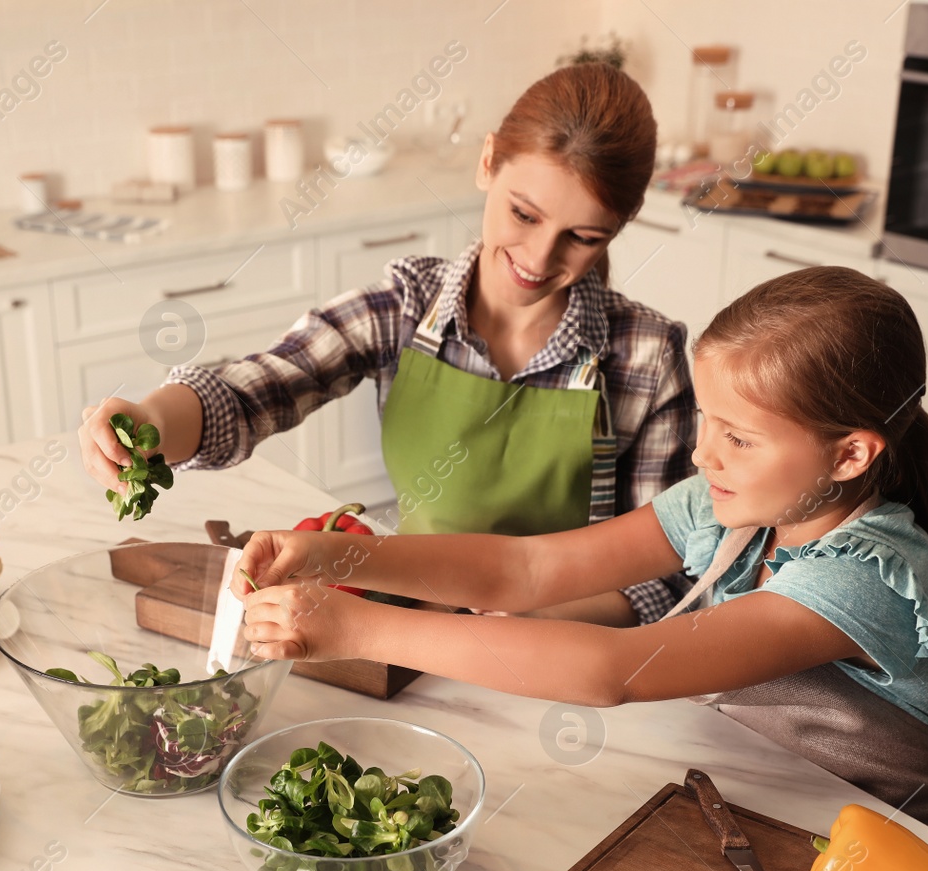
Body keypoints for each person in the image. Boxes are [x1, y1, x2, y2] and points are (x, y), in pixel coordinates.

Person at [234, 266, 928, 845]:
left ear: (849, 454)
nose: (703, 451)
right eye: (707, 422)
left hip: (886, 864)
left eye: (739, 438)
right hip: (768, 822)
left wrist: (361, 631)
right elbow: (524, 571)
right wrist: (339, 557)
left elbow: (614, 670)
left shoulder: (866, 577)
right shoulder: (733, 506)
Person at [78, 62, 695, 625]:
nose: (539, 257)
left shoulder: (646, 356)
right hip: (410, 618)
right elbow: (251, 394)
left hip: (567, 646)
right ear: (487, 164)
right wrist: (148, 421)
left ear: (619, 226)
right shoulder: (403, 307)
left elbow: (663, 572)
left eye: (582, 237)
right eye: (525, 215)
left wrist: (513, 628)